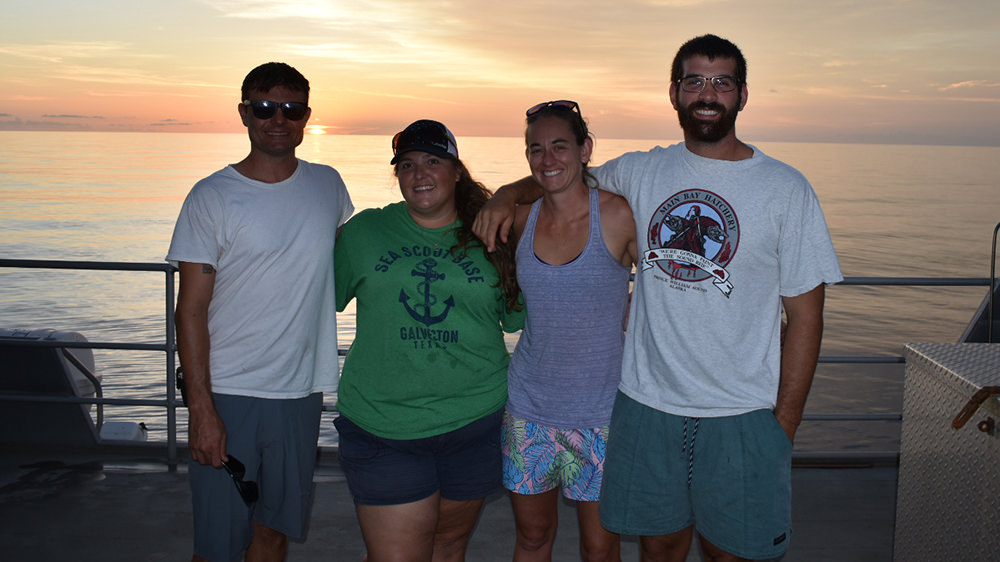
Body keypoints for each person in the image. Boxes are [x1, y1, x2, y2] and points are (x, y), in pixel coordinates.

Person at [474, 34, 843, 561]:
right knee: (659, 549)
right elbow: (561, 177)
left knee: (730, 553)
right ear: (674, 94)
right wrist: (507, 194)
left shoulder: (786, 188)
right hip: (646, 407)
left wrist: (783, 425)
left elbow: (806, 318)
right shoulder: (641, 172)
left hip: (741, 411)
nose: (707, 93)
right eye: (695, 81)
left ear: (742, 95)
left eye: (721, 82)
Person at [167, 62, 354, 562]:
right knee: (219, 544)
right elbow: (190, 310)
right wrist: (202, 410)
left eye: (291, 109)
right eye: (265, 107)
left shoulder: (328, 186)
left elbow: (355, 262)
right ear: (244, 113)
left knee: (274, 532)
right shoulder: (212, 197)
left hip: (299, 394)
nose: (278, 119)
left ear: (307, 116)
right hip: (230, 394)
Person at [333, 119, 524, 562]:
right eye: (407, 165)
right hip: (385, 427)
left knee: (448, 547)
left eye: (433, 162)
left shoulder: (495, 235)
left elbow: (521, 317)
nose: (419, 174)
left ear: (456, 171)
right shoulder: (363, 234)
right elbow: (308, 296)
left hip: (476, 423)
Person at [502, 100, 636, 562]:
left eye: (560, 146)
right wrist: (504, 194)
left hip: (602, 415)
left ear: (585, 149)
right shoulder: (521, 219)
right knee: (533, 538)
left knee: (600, 548)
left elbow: (673, 283)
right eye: (535, 149)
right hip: (528, 410)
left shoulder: (618, 216)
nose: (547, 159)